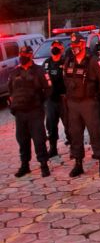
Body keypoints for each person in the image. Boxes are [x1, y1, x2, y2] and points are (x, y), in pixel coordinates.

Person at [63, 32, 100, 177]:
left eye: (76, 45)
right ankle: (78, 163)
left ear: (83, 44)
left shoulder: (93, 60)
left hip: (89, 102)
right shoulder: (68, 60)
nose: (74, 47)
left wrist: (95, 96)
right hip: (73, 103)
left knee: (95, 133)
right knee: (75, 134)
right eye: (72, 45)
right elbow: (65, 78)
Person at [8, 46, 51, 178]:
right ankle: (25, 165)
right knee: (22, 140)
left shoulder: (39, 71)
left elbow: (48, 89)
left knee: (39, 139)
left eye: (25, 53)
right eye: (21, 53)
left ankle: (44, 165)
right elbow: (11, 91)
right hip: (20, 113)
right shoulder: (14, 72)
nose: (22, 55)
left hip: (35, 112)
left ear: (31, 55)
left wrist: (39, 103)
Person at [42, 40, 68, 157]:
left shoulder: (66, 62)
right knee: (51, 125)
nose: (55, 48)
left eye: (58, 46)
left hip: (64, 99)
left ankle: (74, 146)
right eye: (53, 46)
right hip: (51, 100)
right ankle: (53, 148)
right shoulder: (46, 63)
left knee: (69, 124)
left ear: (62, 49)